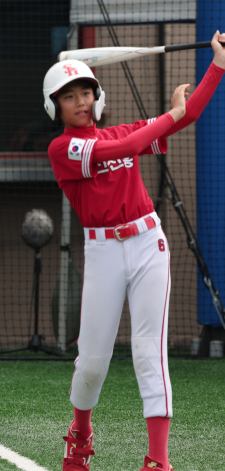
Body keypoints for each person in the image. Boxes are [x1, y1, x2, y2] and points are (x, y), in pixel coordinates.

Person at [42, 31, 225, 471]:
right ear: (56, 108)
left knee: (149, 351)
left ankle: (158, 461)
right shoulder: (62, 148)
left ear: (98, 97)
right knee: (92, 360)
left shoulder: (125, 129)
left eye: (87, 91)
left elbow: (189, 115)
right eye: (70, 96)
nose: (82, 101)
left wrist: (218, 65)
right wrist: (168, 115)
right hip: (103, 252)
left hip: (148, 244)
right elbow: (120, 149)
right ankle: (80, 435)